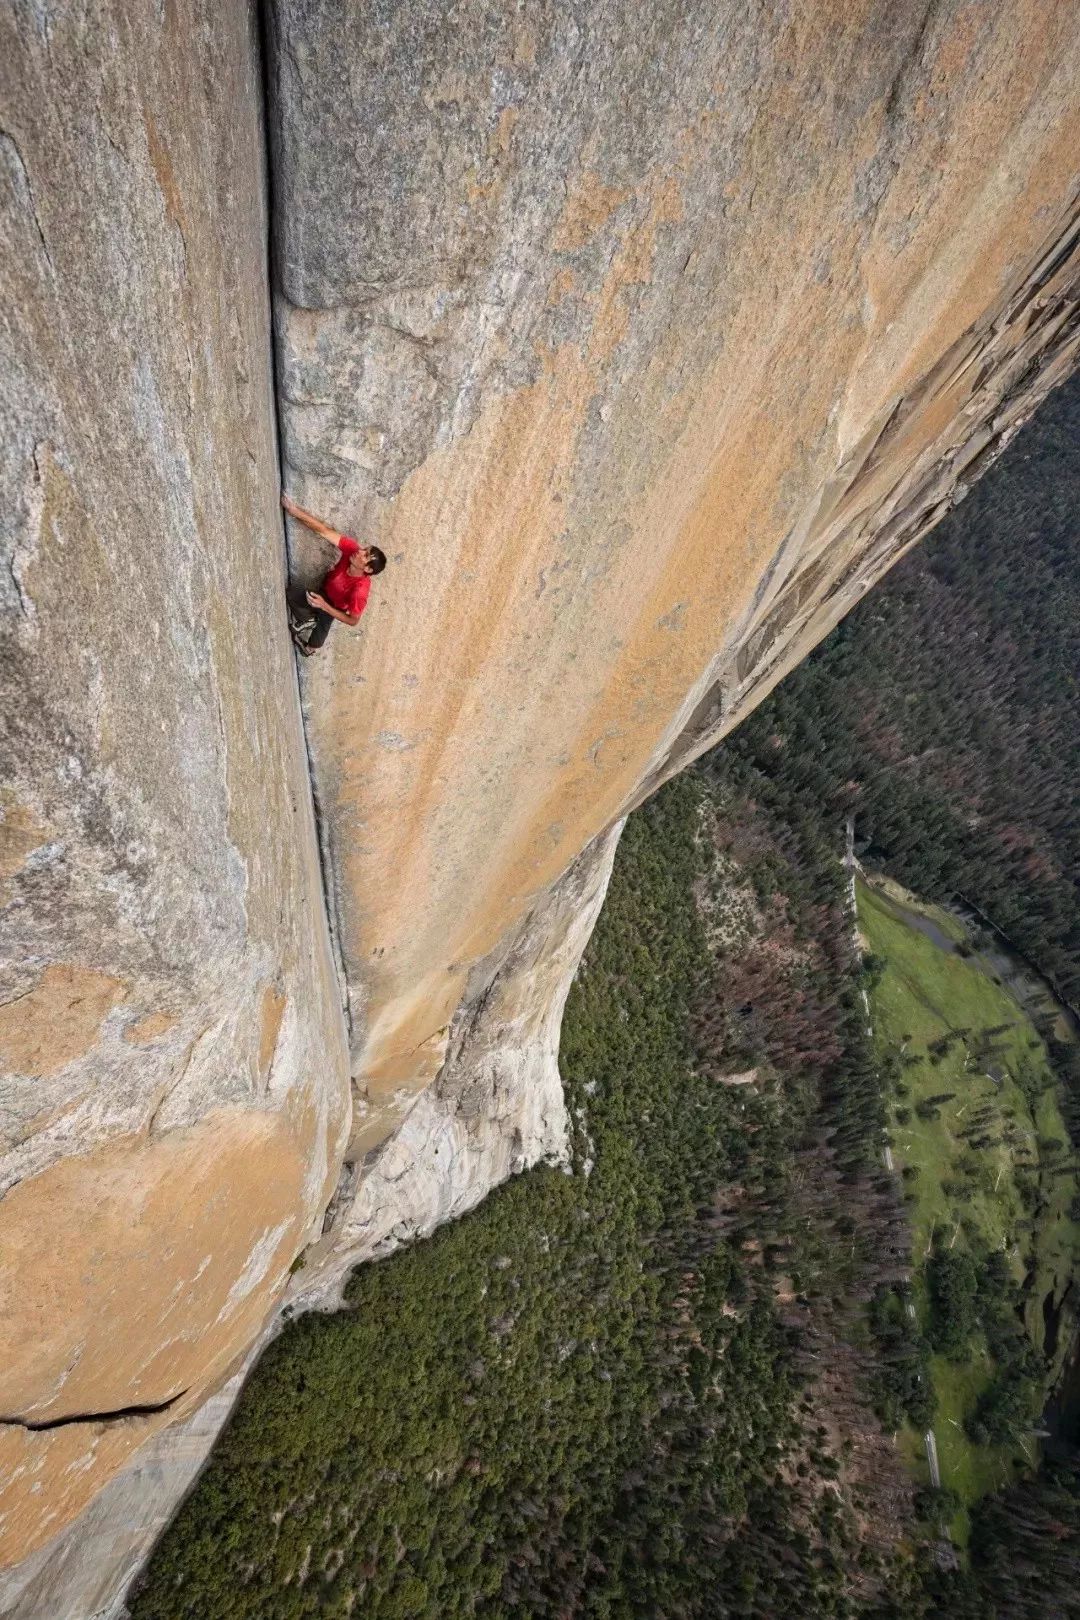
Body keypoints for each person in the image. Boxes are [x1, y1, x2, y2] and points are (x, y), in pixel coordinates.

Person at [281, 493, 387, 656]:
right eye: (365, 549)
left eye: (365, 556)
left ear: (368, 570)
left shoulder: (360, 591)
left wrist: (324, 606)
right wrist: (293, 510)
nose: (360, 551)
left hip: (333, 606)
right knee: (292, 594)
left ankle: (310, 645)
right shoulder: (352, 549)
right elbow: (324, 531)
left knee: (318, 634)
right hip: (323, 592)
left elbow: (353, 620)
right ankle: (310, 620)